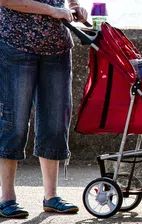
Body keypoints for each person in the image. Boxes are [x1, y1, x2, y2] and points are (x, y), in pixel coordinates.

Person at [0, 0, 88, 218]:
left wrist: (75, 5)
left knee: (55, 122)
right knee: (14, 122)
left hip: (57, 49)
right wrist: (52, 11)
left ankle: (52, 197)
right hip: (15, 46)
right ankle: (7, 198)